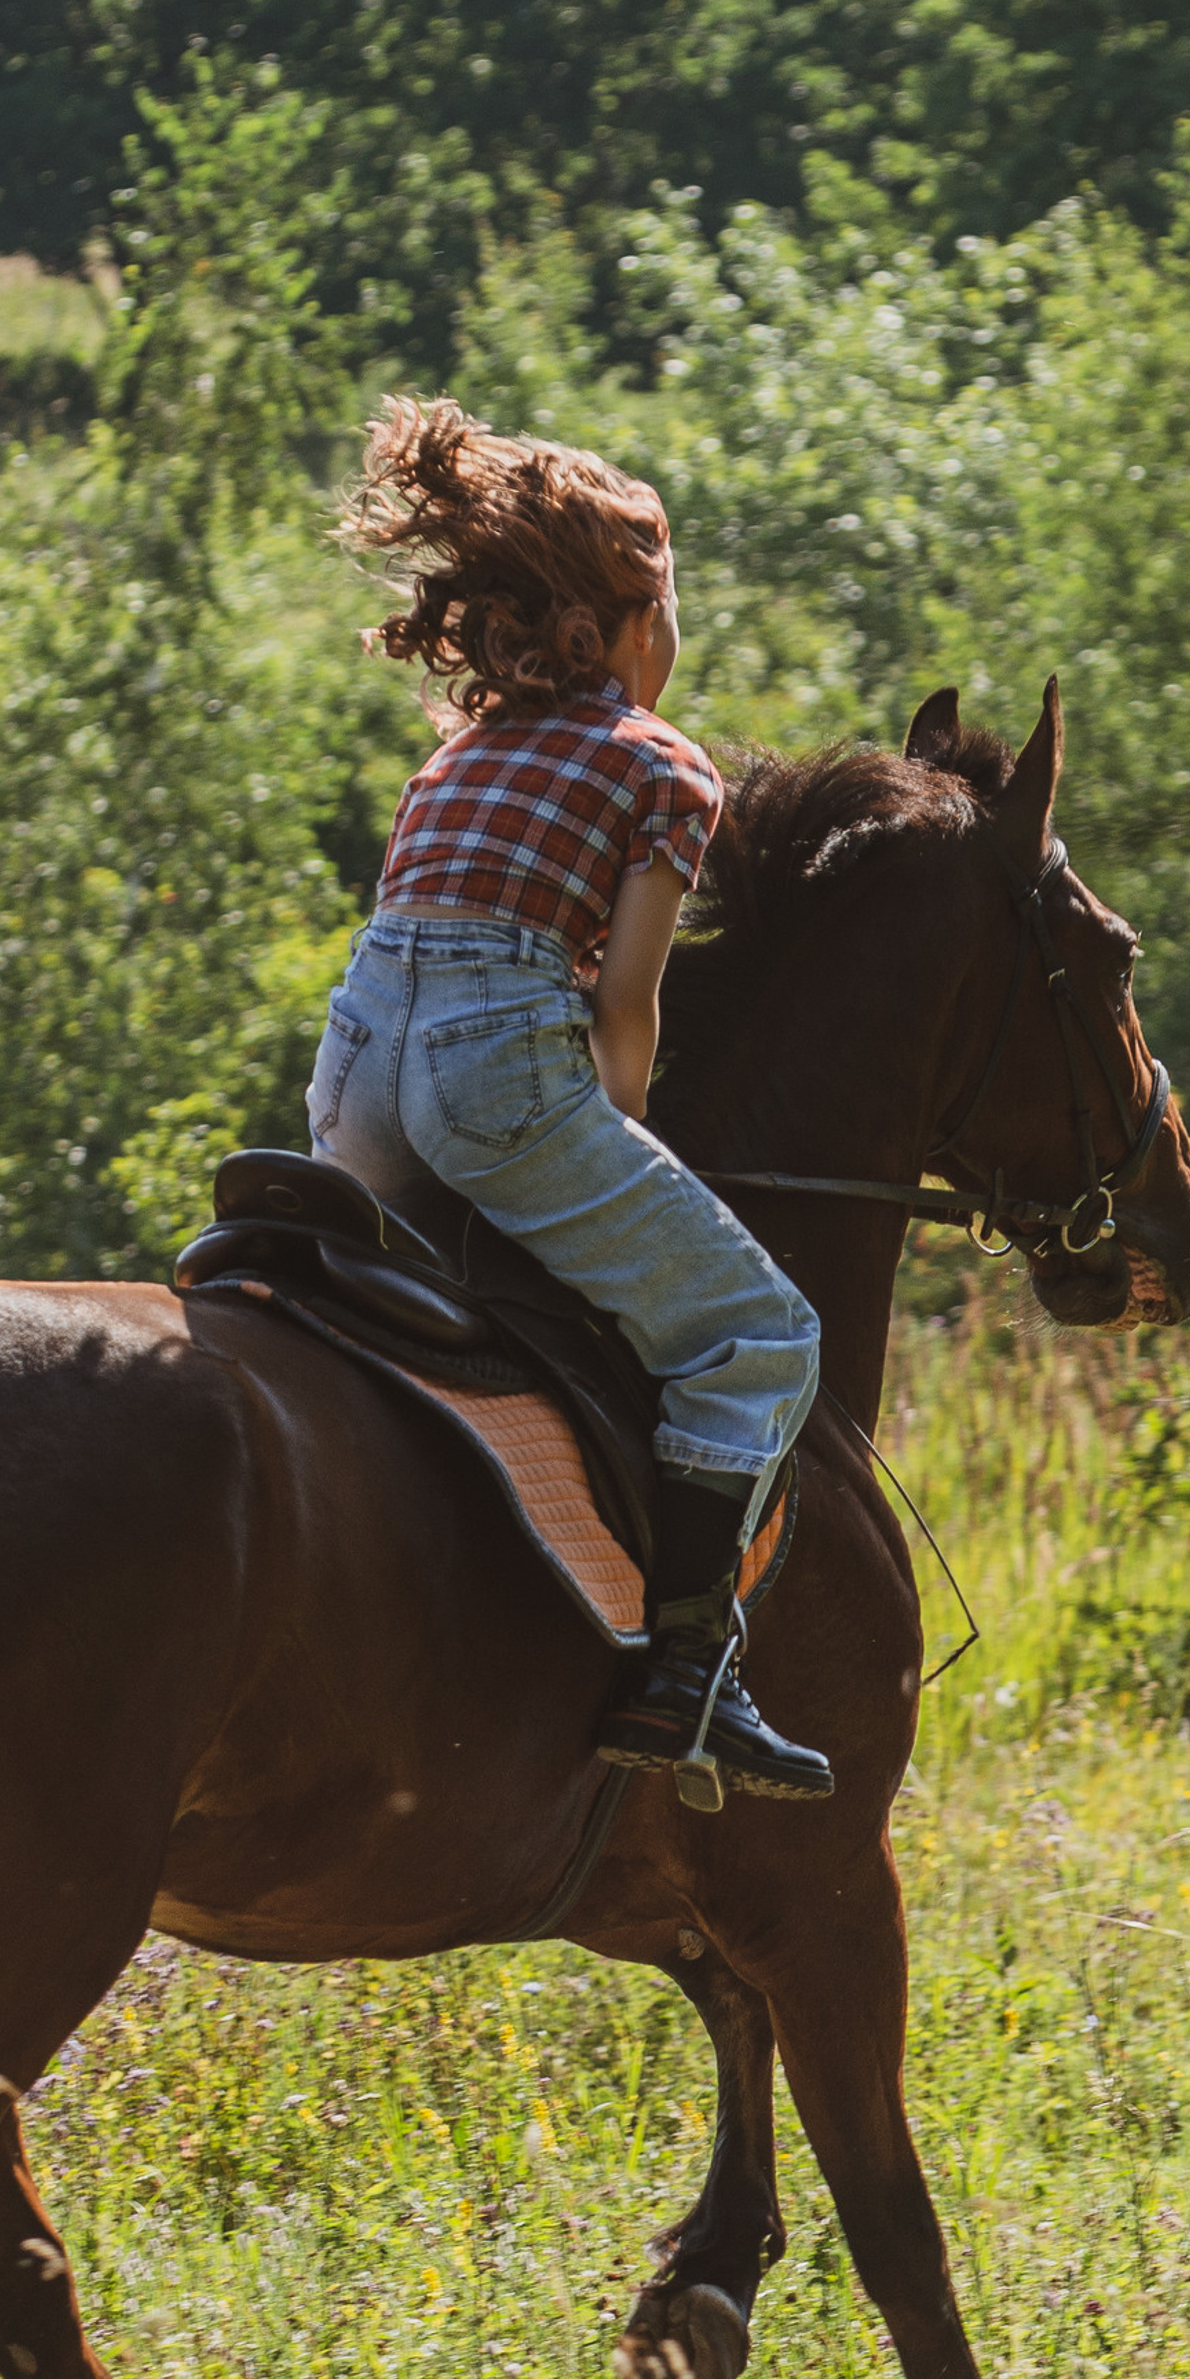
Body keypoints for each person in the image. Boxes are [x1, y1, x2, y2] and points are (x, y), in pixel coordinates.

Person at [309, 395, 830, 1806]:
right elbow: (626, 1010)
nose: (678, 630)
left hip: (353, 1080)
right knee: (760, 1328)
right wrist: (635, 1137)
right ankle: (685, 1678)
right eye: (668, 601)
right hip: (492, 1076)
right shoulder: (665, 765)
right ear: (615, 626)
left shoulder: (454, 755)